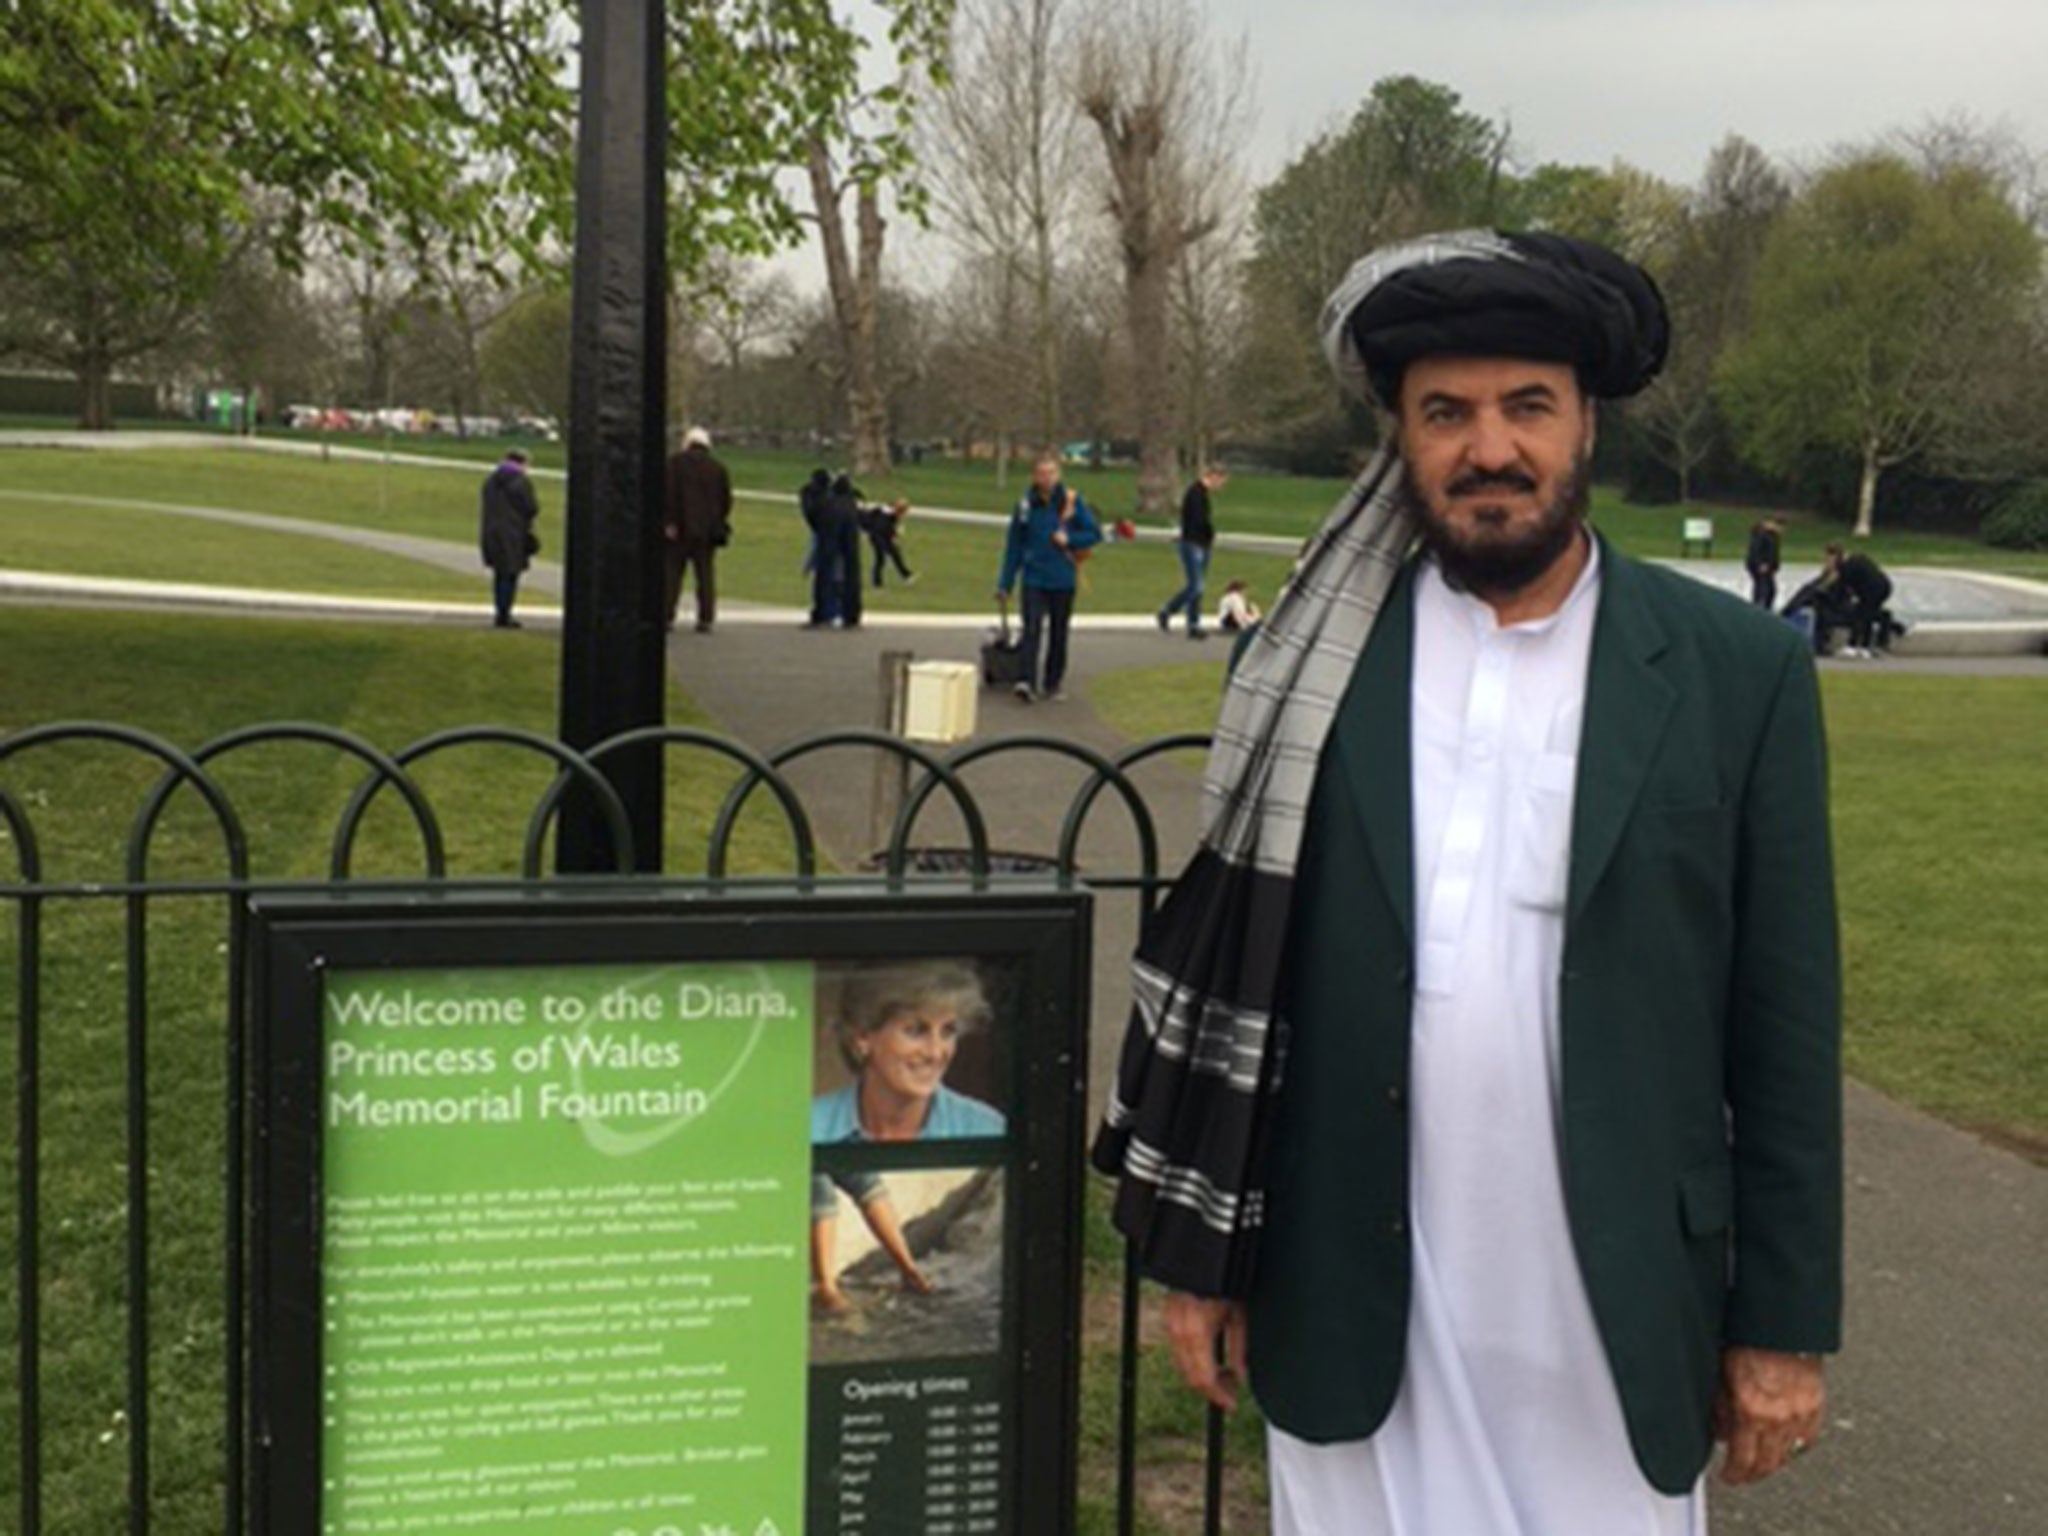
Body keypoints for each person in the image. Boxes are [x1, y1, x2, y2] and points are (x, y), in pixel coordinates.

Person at [1093, 229, 1842, 1536]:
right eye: (1447, 412)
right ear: (1401, 436)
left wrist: (1780, 1322)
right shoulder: (1309, 671)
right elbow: (1241, 974)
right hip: (1348, 1289)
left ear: (1586, 425)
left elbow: (1784, 1025)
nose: (1488, 448)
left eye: (1525, 408)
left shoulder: (1736, 675)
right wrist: (1200, 1265)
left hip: (1607, 1311)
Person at [810, 964, 1006, 1314]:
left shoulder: (987, 1129)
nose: (936, 1052)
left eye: (948, 1032)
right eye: (916, 1031)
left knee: (864, 1186)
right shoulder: (807, 1126)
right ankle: (829, 1288)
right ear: (862, 1039)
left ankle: (908, 1272)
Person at [995, 451, 1102, 702]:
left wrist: (1071, 540)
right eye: (1041, 473)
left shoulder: (1071, 502)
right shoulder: (1025, 505)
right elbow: (1014, 545)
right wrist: (1005, 582)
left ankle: (1052, 682)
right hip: (1034, 576)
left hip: (1062, 577)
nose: (1046, 478)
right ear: (1034, 476)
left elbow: (1094, 534)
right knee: (1030, 628)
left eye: (1051, 473)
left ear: (1059, 474)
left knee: (1058, 631)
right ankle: (1026, 680)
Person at [663, 426, 733, 633]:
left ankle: (666, 615)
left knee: (672, 575)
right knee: (705, 576)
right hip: (707, 532)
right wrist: (717, 521)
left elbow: (667, 495)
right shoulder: (718, 469)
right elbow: (726, 501)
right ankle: (706, 617)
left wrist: (669, 523)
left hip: (680, 529)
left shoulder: (674, 464)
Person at [1158, 464, 1228, 639]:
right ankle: (1180, 616)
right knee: (1196, 586)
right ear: (1213, 476)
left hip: (1201, 544)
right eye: (1221, 482)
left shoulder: (1202, 495)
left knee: (1196, 586)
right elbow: (1197, 520)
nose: (1220, 487)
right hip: (1192, 544)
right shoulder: (1195, 493)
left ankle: (1180, 617)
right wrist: (1208, 533)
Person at [477, 448, 540, 629]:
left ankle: (500, 611)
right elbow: (531, 508)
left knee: (499, 575)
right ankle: (505, 614)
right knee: (510, 575)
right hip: (513, 534)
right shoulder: (521, 482)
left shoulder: (490, 481)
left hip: (492, 532)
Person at [1828, 542, 1897, 657]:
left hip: (1873, 589)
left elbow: (1841, 589)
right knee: (1867, 613)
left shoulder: (1845, 567)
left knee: (1862, 615)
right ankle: (1870, 644)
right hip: (1884, 586)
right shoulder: (1855, 559)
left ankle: (1858, 646)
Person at [863, 497, 916, 587]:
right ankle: (877, 583)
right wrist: (895, 533)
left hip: (882, 536)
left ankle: (906, 575)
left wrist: (894, 534)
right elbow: (882, 529)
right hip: (877, 537)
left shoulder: (888, 513)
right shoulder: (886, 516)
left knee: (894, 554)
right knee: (881, 558)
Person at [1745, 515, 1784, 609]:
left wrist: (1774, 565)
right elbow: (1756, 549)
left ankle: (1764, 608)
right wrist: (1760, 564)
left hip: (1767, 567)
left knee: (1769, 590)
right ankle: (1759, 608)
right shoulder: (1763, 534)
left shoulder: (1773, 536)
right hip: (1761, 567)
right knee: (1764, 590)